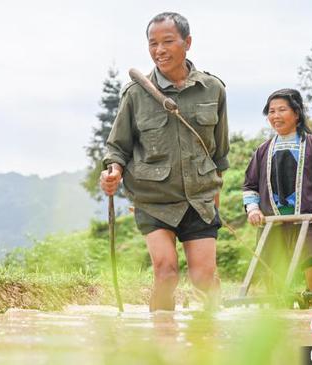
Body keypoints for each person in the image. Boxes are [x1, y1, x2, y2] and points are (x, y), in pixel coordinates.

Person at [100, 12, 229, 311]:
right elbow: (117, 147)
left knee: (204, 278)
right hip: (154, 200)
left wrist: (214, 201)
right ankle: (161, 345)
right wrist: (113, 171)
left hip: (199, 200)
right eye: (153, 43)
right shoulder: (135, 94)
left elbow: (219, 154)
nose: (159, 50)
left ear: (187, 43)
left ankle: (211, 344)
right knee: (166, 273)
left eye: (168, 41)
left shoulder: (213, 89)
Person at [242, 89, 312, 305]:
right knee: (274, 284)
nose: (275, 116)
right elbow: (250, 187)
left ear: (296, 113)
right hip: (272, 224)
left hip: (310, 221)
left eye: (282, 110)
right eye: (271, 111)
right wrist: (254, 210)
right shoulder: (263, 150)